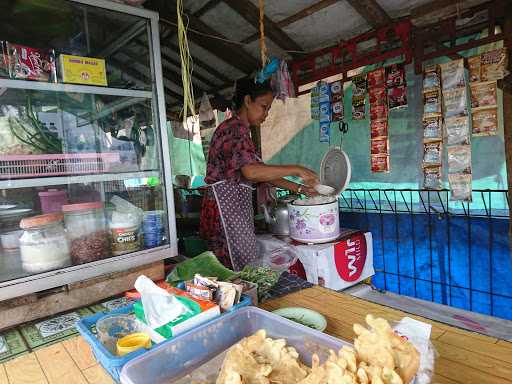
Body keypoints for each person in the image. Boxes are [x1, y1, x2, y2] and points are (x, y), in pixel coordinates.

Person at [200, 77, 319, 271]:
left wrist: (300, 188)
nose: (266, 114)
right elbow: (252, 172)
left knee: (240, 265)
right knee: (239, 267)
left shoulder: (241, 131)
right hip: (224, 210)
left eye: (269, 109)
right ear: (247, 101)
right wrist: (297, 169)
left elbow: (262, 171)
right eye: (264, 106)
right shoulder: (234, 129)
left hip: (232, 208)